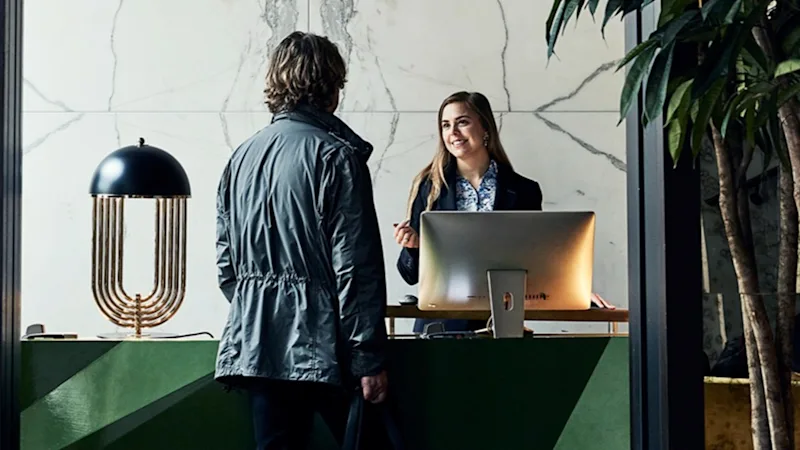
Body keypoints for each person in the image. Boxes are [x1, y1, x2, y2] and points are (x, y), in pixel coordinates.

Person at [214, 31, 388, 450]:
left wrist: (262, 317)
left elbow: (226, 267)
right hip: (324, 349)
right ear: (330, 86)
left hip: (257, 347)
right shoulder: (336, 157)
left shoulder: (241, 157)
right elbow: (355, 269)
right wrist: (368, 360)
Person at [393, 91, 614, 334]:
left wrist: (575, 291)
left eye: (462, 122)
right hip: (439, 327)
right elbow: (410, 275)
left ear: (485, 128)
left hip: (500, 326)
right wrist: (411, 247)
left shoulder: (523, 190)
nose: (453, 133)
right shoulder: (429, 188)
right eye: (446, 125)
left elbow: (537, 261)